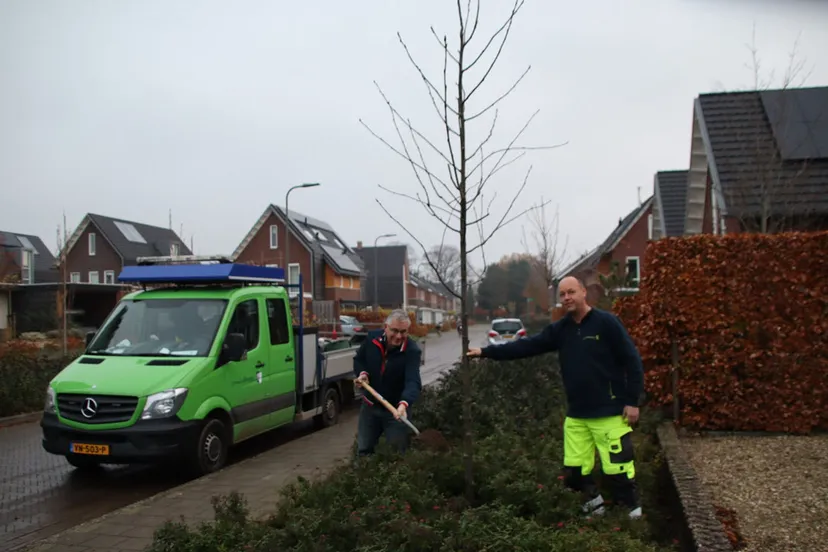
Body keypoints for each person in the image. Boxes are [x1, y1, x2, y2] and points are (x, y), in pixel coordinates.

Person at [468, 276, 645, 519]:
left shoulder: (607, 323)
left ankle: (630, 515)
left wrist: (632, 400)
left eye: (571, 292)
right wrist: (486, 352)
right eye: (562, 295)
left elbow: (632, 361)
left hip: (610, 412)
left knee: (619, 468)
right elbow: (527, 346)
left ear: (583, 292)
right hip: (577, 415)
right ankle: (594, 509)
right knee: (575, 470)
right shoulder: (561, 330)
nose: (567, 298)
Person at [353, 309, 423, 457]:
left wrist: (404, 404)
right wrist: (363, 374)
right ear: (386, 327)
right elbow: (359, 360)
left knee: (396, 455)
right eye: (395, 331)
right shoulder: (372, 340)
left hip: (396, 412)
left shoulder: (412, 351)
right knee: (364, 450)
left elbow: (413, 381)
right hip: (370, 407)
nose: (399, 336)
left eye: (403, 332)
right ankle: (363, 477)